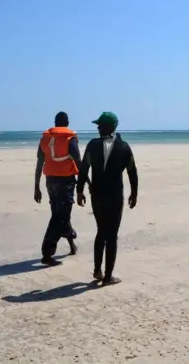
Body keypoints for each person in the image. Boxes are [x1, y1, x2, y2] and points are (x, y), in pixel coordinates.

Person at [77, 112, 138, 286]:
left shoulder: (93, 145)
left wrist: (80, 190)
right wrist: (134, 193)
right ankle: (107, 276)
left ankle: (98, 270)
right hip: (114, 196)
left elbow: (83, 168)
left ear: (109, 127)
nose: (97, 128)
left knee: (101, 231)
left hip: (97, 195)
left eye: (100, 125)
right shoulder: (124, 147)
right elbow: (132, 171)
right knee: (111, 235)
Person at [34, 111, 85, 266]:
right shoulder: (69, 139)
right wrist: (86, 181)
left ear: (55, 122)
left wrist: (36, 186)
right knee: (59, 217)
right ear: (67, 122)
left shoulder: (45, 139)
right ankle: (47, 253)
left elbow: (39, 164)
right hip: (66, 182)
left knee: (60, 213)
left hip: (50, 181)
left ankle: (71, 245)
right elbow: (78, 160)